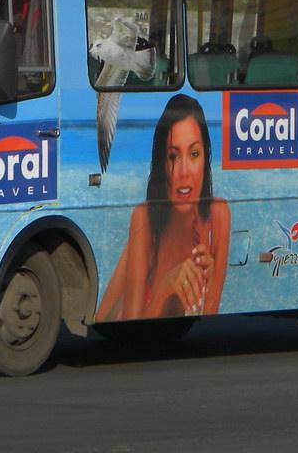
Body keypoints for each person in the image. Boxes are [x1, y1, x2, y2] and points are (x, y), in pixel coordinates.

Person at [96, 94, 230, 321]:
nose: (184, 172)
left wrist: (210, 280)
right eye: (173, 157)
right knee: (107, 316)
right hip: (127, 319)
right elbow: (130, 328)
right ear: (161, 163)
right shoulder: (145, 218)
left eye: (194, 154)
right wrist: (163, 289)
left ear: (206, 158)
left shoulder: (218, 215)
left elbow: (209, 318)